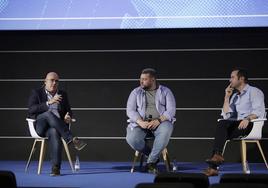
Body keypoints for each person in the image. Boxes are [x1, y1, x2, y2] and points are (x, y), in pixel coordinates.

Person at [203, 68, 266, 176]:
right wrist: (227, 97)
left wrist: (247, 119)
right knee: (222, 123)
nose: (229, 80)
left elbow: (259, 111)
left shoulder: (254, 91)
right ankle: (217, 157)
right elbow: (226, 115)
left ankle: (214, 166)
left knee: (222, 129)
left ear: (241, 78)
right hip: (238, 126)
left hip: (251, 124)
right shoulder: (235, 96)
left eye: (232, 77)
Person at [28, 72, 87, 176]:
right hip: (41, 126)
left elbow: (68, 111)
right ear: (45, 81)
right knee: (47, 114)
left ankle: (56, 168)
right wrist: (48, 103)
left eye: (56, 81)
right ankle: (71, 138)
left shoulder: (62, 94)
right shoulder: (37, 93)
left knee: (54, 132)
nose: (54, 83)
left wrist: (67, 116)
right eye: (52, 80)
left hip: (56, 126)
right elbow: (31, 109)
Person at [126, 68, 176, 174]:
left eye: (144, 79)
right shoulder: (136, 92)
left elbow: (171, 110)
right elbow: (130, 110)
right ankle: (152, 156)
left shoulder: (165, 91)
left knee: (166, 131)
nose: (141, 81)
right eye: (141, 79)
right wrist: (140, 122)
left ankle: (151, 163)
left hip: (160, 122)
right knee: (132, 139)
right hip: (141, 123)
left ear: (152, 80)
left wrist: (158, 120)